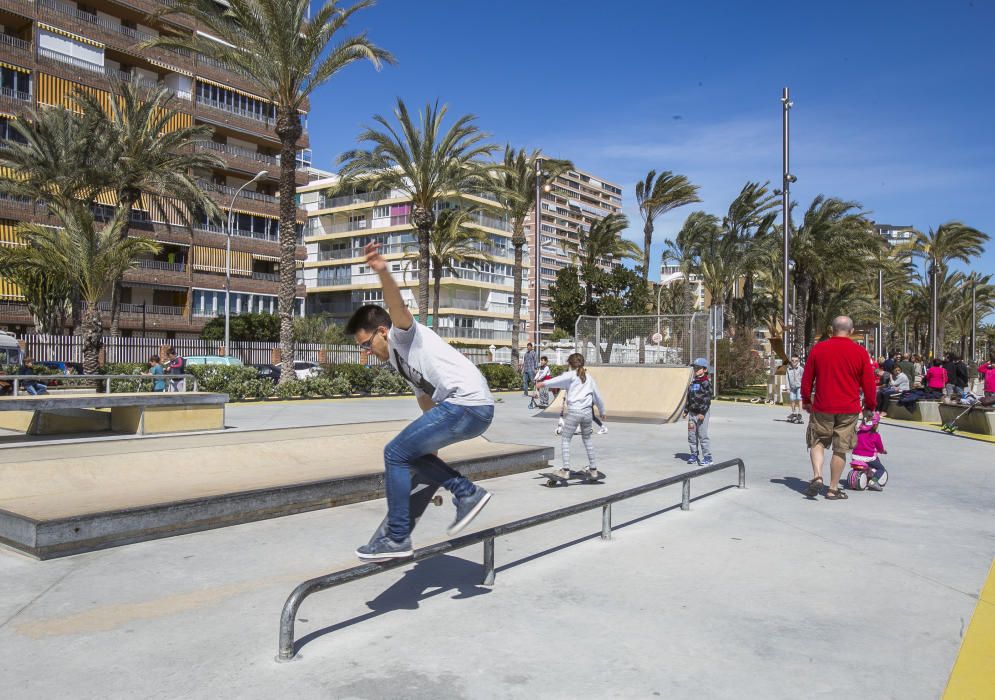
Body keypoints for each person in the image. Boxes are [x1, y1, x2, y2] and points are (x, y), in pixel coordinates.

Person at [348, 242, 494, 560]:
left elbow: (397, 306)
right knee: (407, 453)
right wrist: (427, 456)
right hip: (471, 409)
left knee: (394, 453)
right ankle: (466, 492)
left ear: (382, 332)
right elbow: (427, 404)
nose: (366, 352)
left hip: (465, 403)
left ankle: (399, 538)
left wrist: (383, 272)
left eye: (366, 344)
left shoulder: (403, 336)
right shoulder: (400, 363)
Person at [800, 316, 877, 500]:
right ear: (851, 331)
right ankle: (833, 489)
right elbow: (869, 384)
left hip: (822, 405)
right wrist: (869, 406)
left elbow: (807, 378)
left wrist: (806, 400)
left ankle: (817, 476)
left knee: (817, 441)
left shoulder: (819, 349)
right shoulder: (860, 352)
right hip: (848, 408)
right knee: (840, 448)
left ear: (831, 329)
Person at [536, 353, 606, 481]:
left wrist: (543, 384)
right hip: (587, 414)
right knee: (587, 440)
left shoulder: (570, 375)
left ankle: (566, 470)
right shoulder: (589, 378)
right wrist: (602, 411)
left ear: (570, 364)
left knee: (566, 439)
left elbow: (555, 381)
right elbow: (598, 397)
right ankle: (593, 469)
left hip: (574, 413)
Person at [682, 357, 714, 466]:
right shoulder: (693, 383)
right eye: (695, 368)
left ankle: (707, 457)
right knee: (691, 435)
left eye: (698, 368)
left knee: (702, 435)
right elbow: (689, 398)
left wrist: (702, 413)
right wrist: (686, 410)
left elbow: (707, 399)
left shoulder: (706, 383)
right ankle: (694, 455)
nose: (696, 370)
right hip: (692, 413)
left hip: (701, 414)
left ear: (704, 369)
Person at [848, 412, 889, 492]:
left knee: (870, 462)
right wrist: (883, 451)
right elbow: (880, 448)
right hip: (868, 458)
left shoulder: (859, 432)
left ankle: (867, 474)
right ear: (875, 424)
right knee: (881, 468)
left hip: (855, 456)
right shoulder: (875, 435)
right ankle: (873, 482)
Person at [785, 355, 804, 423]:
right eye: (792, 360)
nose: (794, 362)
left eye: (796, 361)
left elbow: (804, 378)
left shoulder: (801, 369)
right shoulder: (788, 369)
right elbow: (787, 379)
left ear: (798, 361)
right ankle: (793, 413)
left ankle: (800, 414)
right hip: (792, 387)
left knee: (799, 399)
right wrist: (787, 388)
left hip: (799, 386)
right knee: (792, 399)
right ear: (791, 361)